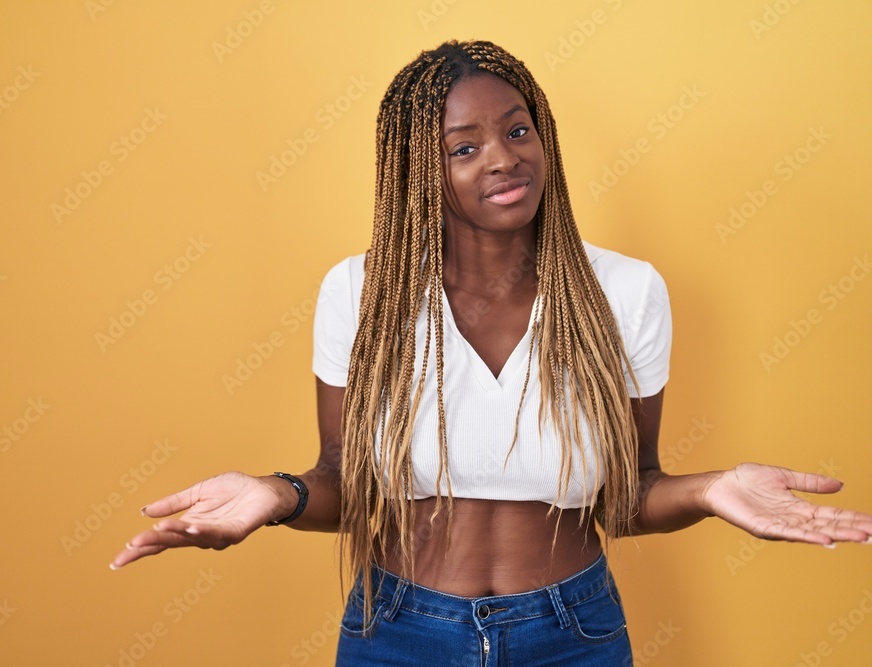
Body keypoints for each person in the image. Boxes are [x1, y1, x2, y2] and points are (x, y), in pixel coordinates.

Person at [111, 40, 872, 665]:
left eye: (517, 131)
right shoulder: (362, 291)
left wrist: (711, 489)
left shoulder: (626, 292)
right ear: (419, 172)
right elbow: (344, 480)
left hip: (572, 632)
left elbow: (629, 496)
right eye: (463, 147)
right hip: (397, 631)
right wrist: (279, 494)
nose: (502, 158)